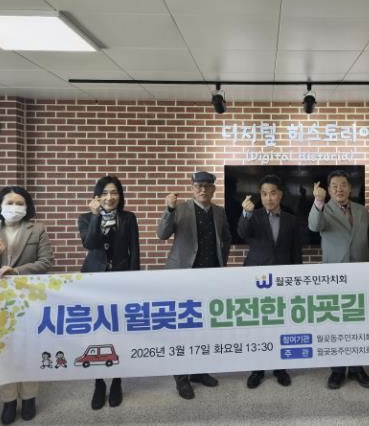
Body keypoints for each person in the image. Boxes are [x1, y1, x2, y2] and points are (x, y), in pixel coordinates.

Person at [0, 186, 53, 425]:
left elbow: (46, 262)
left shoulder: (37, 229)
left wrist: (17, 270)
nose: (14, 207)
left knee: (29, 349)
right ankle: (8, 401)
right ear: (0, 206)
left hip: (29, 299)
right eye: (10, 202)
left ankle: (29, 398)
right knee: (4, 353)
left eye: (19, 203)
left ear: (27, 207)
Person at [157, 171, 232, 399]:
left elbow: (226, 239)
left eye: (208, 186)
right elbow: (162, 234)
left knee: (204, 328)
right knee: (182, 329)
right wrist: (169, 209)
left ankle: (199, 371)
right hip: (183, 278)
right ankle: (181, 379)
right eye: (198, 185)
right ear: (192, 188)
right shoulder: (179, 209)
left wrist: (220, 263)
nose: (203, 190)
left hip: (210, 279)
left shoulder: (219, 212)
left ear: (214, 189)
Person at [308, 169, 369, 390]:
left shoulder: (361, 210)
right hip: (335, 276)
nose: (339, 189)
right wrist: (318, 202)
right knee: (337, 324)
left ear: (350, 188)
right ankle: (338, 370)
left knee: (359, 323)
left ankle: (358, 369)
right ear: (328, 190)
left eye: (343, 185)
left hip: (361, 274)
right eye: (334, 186)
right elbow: (314, 226)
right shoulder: (323, 209)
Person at [78, 175, 140, 410]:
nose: (109, 197)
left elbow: (134, 250)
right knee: (96, 332)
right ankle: (98, 383)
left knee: (118, 331)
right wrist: (95, 216)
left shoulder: (128, 218)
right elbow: (90, 243)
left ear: (120, 196)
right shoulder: (85, 218)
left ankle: (116, 381)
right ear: (96, 196)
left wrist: (134, 280)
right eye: (104, 193)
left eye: (114, 192)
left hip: (121, 281)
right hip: (93, 281)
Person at [238, 174, 302, 389]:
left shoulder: (291, 219)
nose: (268, 198)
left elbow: (296, 252)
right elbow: (241, 232)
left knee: (281, 324)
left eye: (273, 193)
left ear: (280, 195)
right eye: (264, 194)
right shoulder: (253, 216)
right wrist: (246, 213)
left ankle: (280, 368)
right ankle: (257, 369)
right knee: (258, 325)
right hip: (257, 278)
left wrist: (297, 279)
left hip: (283, 279)